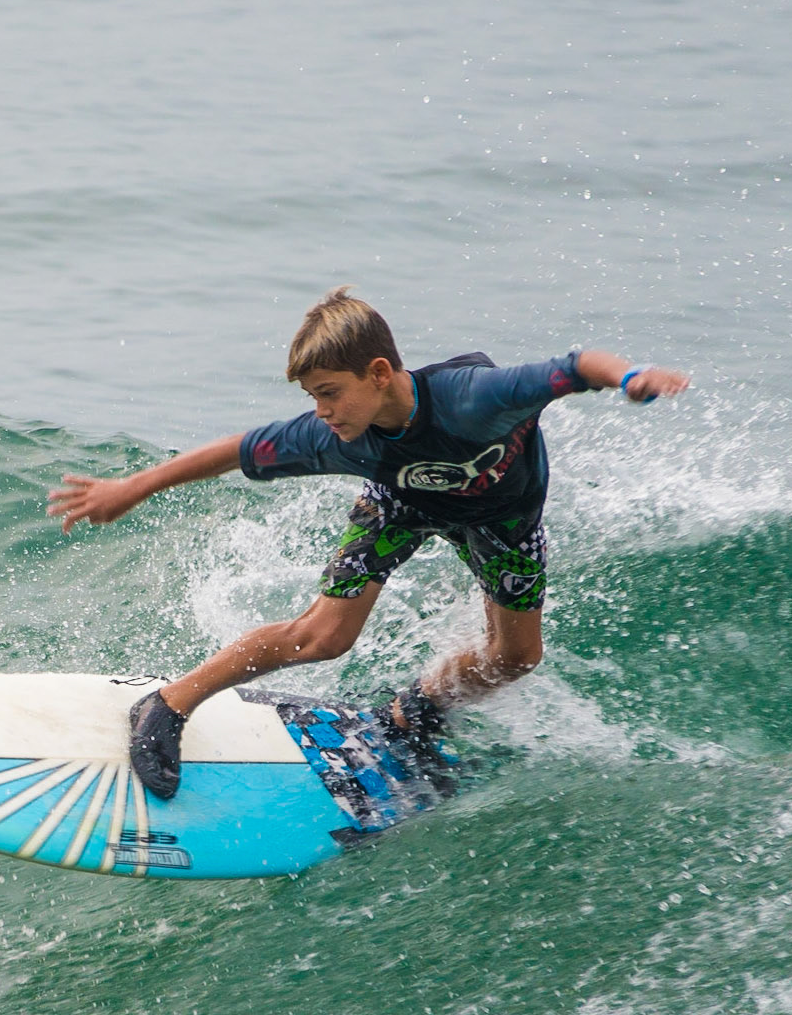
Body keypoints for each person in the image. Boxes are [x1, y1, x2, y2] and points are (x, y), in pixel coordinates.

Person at [47, 288, 689, 798]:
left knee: (516, 655)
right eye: (312, 398)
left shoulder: (475, 401)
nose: (321, 411)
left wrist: (630, 375)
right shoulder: (335, 437)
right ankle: (166, 705)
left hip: (504, 521)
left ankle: (413, 714)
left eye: (329, 393)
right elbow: (238, 450)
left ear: (379, 373)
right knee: (323, 637)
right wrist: (132, 488)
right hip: (399, 506)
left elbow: (575, 368)